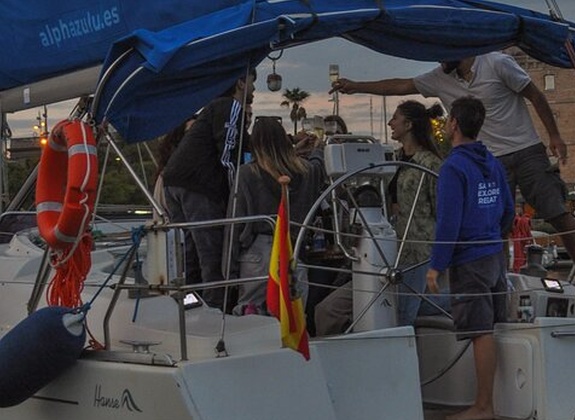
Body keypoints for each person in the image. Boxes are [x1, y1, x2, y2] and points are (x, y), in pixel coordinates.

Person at [331, 52, 575, 295]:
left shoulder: (497, 63)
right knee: (495, 226)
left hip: (526, 148)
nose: (438, 61)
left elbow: (536, 96)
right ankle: (499, 286)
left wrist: (554, 135)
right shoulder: (440, 77)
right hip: (490, 159)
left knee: (557, 212)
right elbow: (401, 85)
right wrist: (355, 86)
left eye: (442, 54)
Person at [314, 101, 448, 335]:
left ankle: (462, 300)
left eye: (394, 118)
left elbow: (443, 212)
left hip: (416, 254)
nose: (390, 123)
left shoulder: (432, 165)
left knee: (402, 319)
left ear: (408, 124)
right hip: (384, 251)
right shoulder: (388, 159)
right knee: (329, 310)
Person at [426, 96, 514, 420]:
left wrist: (436, 265)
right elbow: (508, 209)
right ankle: (496, 402)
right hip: (494, 256)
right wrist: (493, 235)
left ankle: (483, 405)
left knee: (480, 331)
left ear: (454, 125)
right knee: (493, 325)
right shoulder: (492, 162)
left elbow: (448, 220)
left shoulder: (453, 167)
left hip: (470, 259)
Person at [161, 71, 255, 310]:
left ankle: (190, 307)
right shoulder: (230, 107)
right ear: (241, 82)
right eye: (253, 82)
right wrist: (236, 195)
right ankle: (214, 312)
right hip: (200, 186)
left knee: (191, 254)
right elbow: (229, 153)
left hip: (174, 182)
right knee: (211, 255)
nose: (254, 89)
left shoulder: (209, 110)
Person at [232, 117, 325, 316]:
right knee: (292, 319)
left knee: (252, 318)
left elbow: (236, 222)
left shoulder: (247, 173)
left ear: (255, 144)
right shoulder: (306, 171)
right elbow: (318, 168)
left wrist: (229, 268)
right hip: (294, 250)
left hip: (258, 252)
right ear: (285, 140)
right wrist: (318, 149)